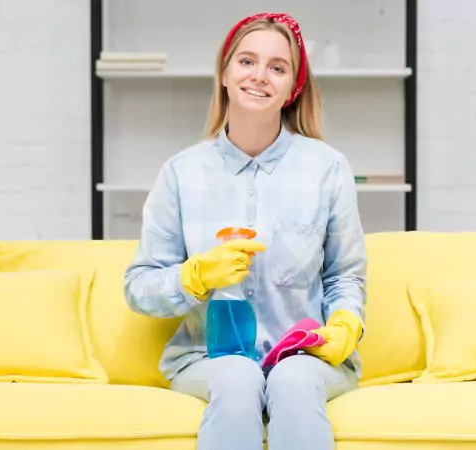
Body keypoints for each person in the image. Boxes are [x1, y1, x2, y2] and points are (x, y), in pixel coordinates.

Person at [124, 12, 367, 450]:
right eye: (247, 61)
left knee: (292, 378)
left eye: (278, 67)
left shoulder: (327, 168)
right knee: (237, 375)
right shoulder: (181, 173)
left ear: (293, 86)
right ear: (224, 71)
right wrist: (192, 276)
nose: (260, 76)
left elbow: (344, 277)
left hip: (305, 356)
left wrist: (347, 323)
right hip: (209, 359)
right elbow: (138, 286)